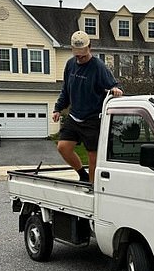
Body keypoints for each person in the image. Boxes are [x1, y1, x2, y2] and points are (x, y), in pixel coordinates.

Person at [52, 30, 123, 182]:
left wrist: (115, 90)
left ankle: (92, 188)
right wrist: (58, 108)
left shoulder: (98, 67)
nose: (81, 59)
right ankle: (82, 175)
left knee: (93, 157)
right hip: (74, 115)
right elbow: (66, 89)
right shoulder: (70, 65)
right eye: (78, 56)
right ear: (73, 51)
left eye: (83, 55)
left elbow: (113, 86)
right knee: (63, 147)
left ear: (90, 47)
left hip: (92, 119)